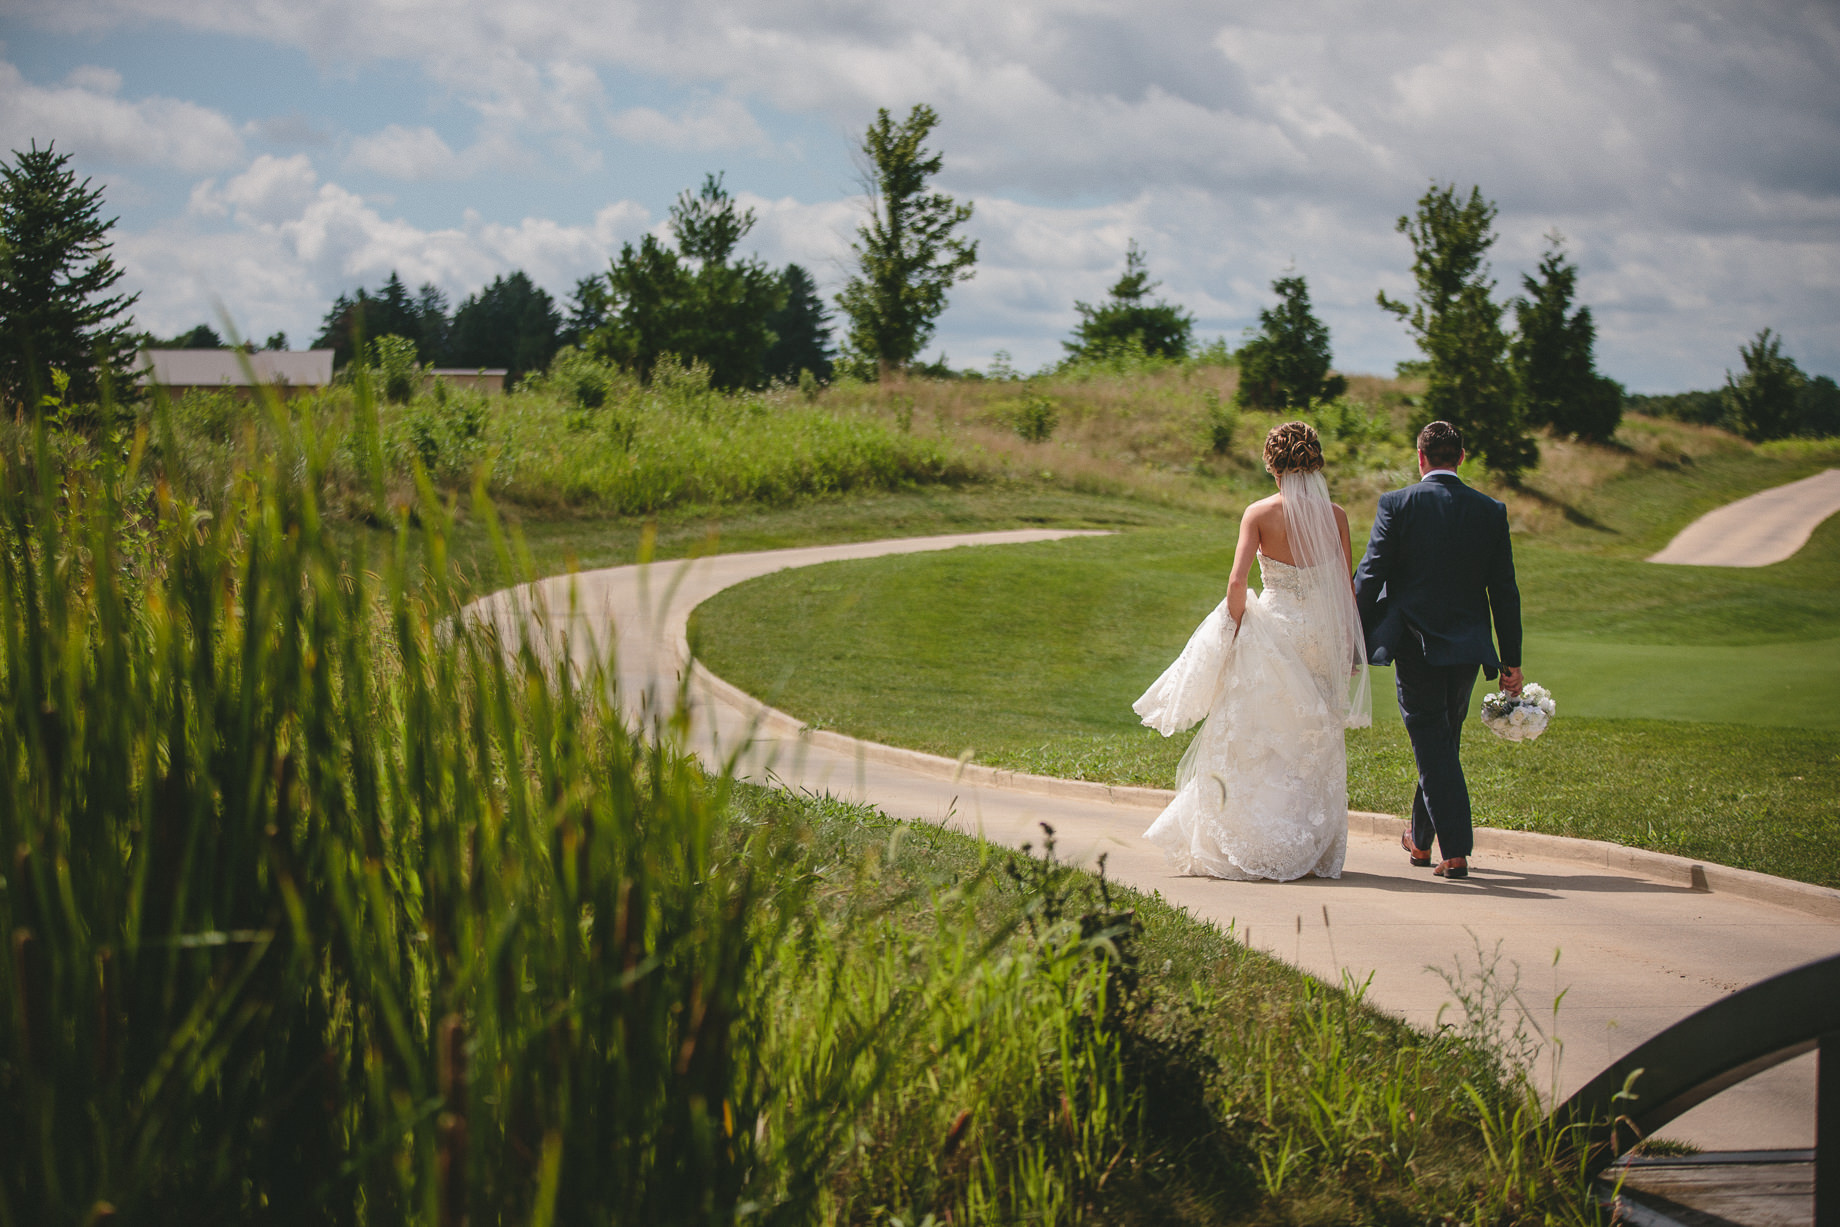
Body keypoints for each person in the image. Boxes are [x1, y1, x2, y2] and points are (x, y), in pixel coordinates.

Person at [1134, 421, 1371, 881]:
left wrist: (1233, 629)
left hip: (1275, 633)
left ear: (1271, 465)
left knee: (1258, 734)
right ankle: (1305, 840)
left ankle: (1252, 835)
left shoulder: (1259, 513)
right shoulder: (1336, 516)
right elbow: (1345, 588)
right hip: (1320, 638)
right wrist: (1348, 645)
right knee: (1310, 737)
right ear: (1316, 463)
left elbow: (1237, 582)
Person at [1353, 420, 1523, 881]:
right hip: (1469, 648)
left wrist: (1350, 633)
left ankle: (1456, 849)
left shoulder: (1397, 503)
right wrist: (1511, 660)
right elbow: (1504, 591)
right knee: (1442, 740)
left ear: (1420, 457)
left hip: (1416, 644)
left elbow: (1370, 575)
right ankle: (1420, 840)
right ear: (1461, 457)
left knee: (1432, 739)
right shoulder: (1490, 510)